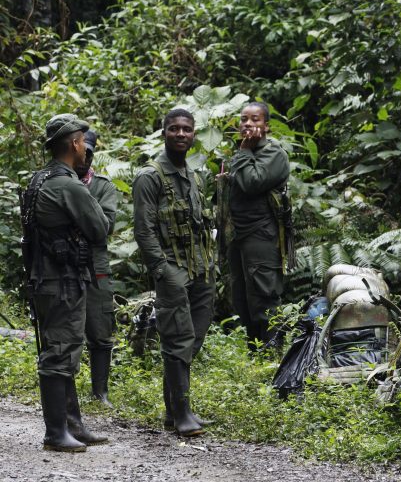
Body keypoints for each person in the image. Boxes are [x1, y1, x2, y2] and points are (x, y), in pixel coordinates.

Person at [21, 113, 110, 451]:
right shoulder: (68, 184)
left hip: (45, 277)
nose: (86, 149)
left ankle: (73, 425)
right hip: (62, 281)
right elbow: (100, 229)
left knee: (61, 349)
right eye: (83, 141)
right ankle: (56, 433)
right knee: (60, 353)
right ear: (75, 143)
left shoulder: (38, 179)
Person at [133, 108, 216, 436]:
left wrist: (211, 267)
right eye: (174, 129)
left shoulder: (195, 175)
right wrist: (163, 271)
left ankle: (173, 411)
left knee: (192, 338)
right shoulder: (149, 176)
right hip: (172, 272)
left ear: (193, 134)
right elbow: (144, 229)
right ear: (163, 132)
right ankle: (181, 413)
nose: (181, 134)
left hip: (201, 270)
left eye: (186, 130)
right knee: (177, 339)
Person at [219, 102, 291, 350]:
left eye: (255, 120)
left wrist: (244, 153)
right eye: (244, 119)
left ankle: (273, 353)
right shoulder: (244, 152)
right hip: (239, 236)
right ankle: (255, 350)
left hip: (262, 234)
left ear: (266, 126)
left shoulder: (273, 154)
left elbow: (253, 182)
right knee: (242, 299)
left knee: (264, 296)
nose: (248, 124)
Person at [74, 130, 118, 407]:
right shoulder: (57, 182)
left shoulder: (102, 186)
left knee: (101, 329)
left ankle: (99, 392)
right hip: (65, 264)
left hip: (96, 266)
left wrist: (80, 202)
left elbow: (106, 227)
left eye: (90, 152)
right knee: (65, 332)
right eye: (82, 151)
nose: (85, 157)